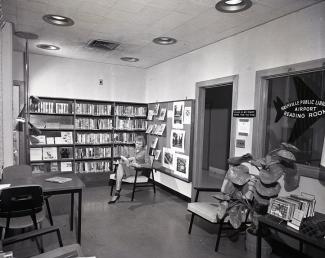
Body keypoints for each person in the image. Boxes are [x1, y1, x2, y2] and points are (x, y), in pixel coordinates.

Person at [108, 135, 152, 204]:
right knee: (120, 165)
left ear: (143, 144)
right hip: (130, 168)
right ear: (135, 143)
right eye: (137, 143)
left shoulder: (145, 152)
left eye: (140, 144)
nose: (138, 145)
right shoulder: (133, 150)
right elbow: (128, 159)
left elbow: (149, 165)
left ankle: (117, 193)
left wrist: (140, 165)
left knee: (120, 168)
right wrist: (125, 160)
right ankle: (117, 192)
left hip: (137, 170)